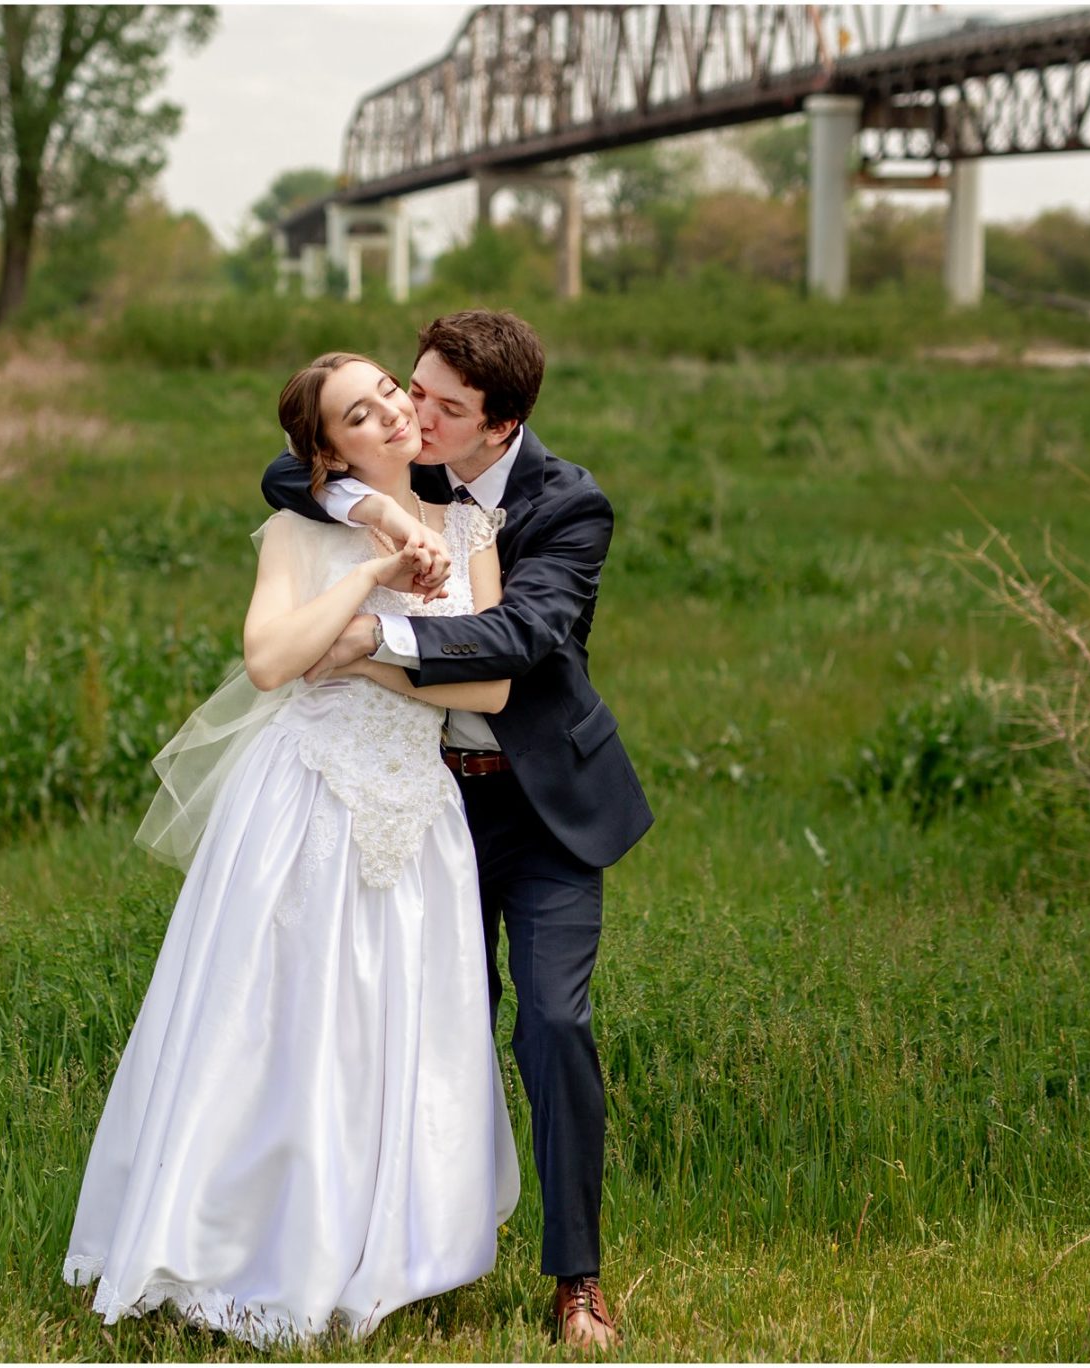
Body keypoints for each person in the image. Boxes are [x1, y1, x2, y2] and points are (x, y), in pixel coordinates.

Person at [64, 352, 520, 1346]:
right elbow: (271, 662)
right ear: (327, 452)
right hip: (303, 804)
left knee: (399, 1031)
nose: (393, 414)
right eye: (361, 413)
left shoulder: (470, 527)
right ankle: (242, 1245)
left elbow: (486, 690)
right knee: (282, 1029)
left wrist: (364, 651)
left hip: (415, 804)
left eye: (390, 393)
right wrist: (367, 577)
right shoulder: (296, 527)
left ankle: (390, 1250)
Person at [260, 310, 653, 1351]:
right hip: (428, 803)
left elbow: (521, 638)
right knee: (427, 1026)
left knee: (552, 1026)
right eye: (410, 391)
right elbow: (283, 468)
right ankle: (406, 1249)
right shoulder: (409, 474)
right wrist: (369, 508)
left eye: (443, 407)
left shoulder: (568, 505)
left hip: (541, 812)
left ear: (502, 423)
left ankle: (576, 1278)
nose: (414, 416)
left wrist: (363, 635)